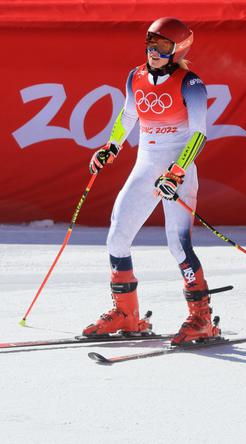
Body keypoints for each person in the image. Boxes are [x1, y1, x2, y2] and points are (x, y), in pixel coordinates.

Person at [83, 17, 220, 346]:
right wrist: (111, 146)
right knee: (117, 236)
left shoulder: (191, 84)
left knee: (177, 244)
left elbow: (199, 134)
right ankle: (127, 315)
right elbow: (128, 115)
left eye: (161, 45)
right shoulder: (136, 76)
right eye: (150, 42)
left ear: (178, 49)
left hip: (177, 172)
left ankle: (201, 319)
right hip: (145, 167)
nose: (153, 50)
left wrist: (176, 171)